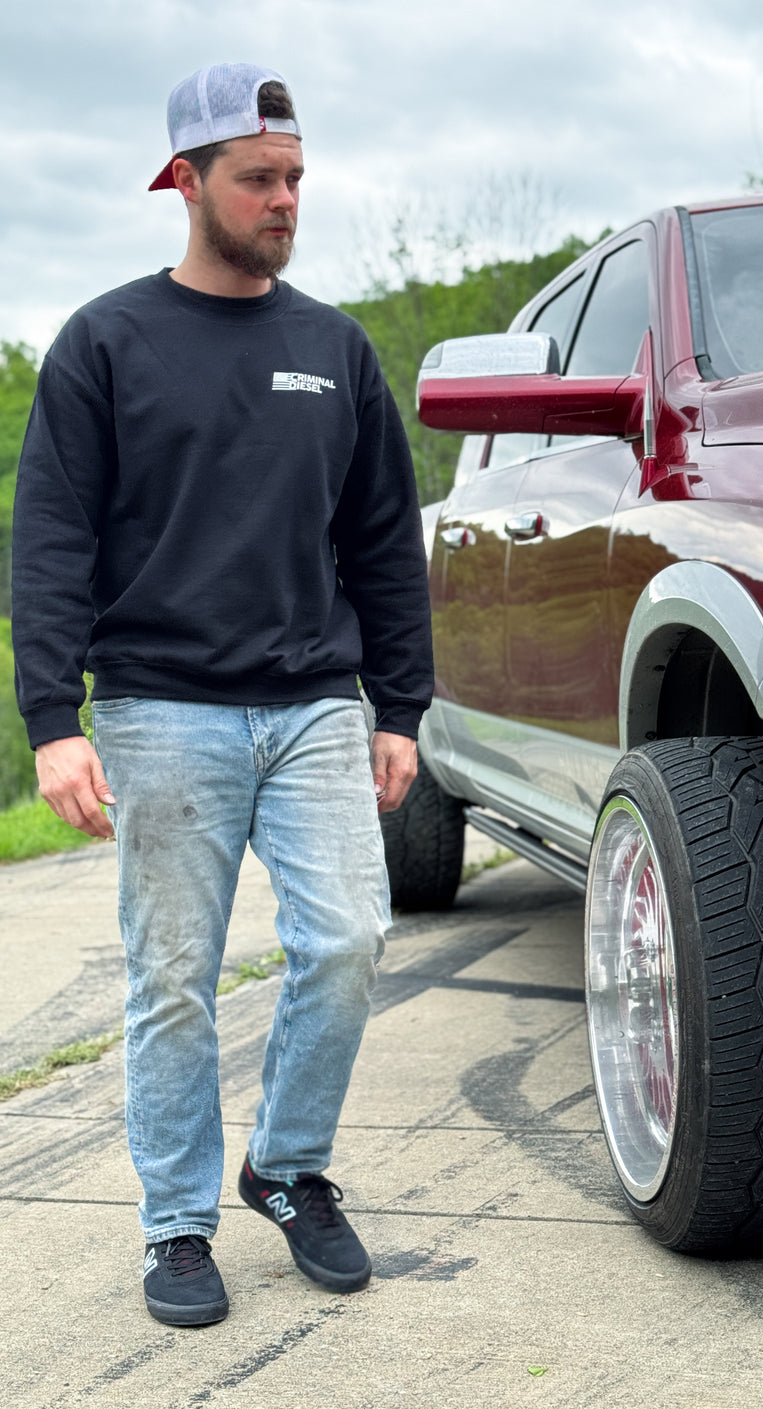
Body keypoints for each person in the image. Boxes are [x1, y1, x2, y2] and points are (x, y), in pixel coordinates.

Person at [11, 62, 433, 1327]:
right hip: (159, 707)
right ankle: (176, 1224)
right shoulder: (104, 342)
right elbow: (51, 539)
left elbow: (380, 540)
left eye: (296, 176)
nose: (284, 199)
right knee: (174, 977)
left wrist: (400, 706)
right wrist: (50, 720)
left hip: (314, 703)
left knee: (350, 938)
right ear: (184, 181)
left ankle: (287, 1166)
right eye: (258, 177)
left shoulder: (334, 347)